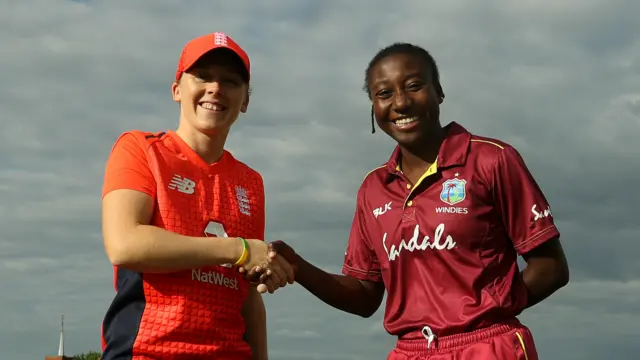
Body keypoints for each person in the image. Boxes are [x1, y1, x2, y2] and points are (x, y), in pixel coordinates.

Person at [245, 43, 570, 359]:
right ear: (374, 107)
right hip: (410, 352)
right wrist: (296, 265)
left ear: (438, 92)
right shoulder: (373, 189)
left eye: (413, 86)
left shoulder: (490, 160)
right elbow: (364, 296)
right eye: (384, 93)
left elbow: (551, 267)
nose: (400, 103)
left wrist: (485, 312)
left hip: (488, 345)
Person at [99, 32, 294, 360]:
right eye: (202, 77)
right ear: (177, 90)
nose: (216, 88)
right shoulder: (140, 149)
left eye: (230, 81)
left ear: (245, 100)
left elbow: (247, 295)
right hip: (149, 352)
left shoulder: (250, 182)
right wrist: (238, 249)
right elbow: (124, 244)